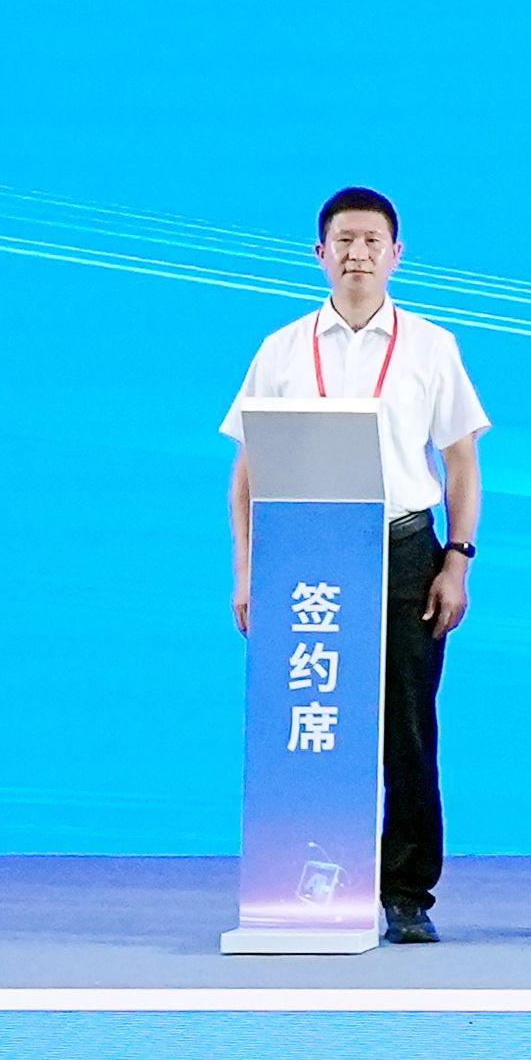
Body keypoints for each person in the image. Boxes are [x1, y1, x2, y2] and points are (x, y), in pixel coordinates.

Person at [220, 185, 488, 945]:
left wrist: (457, 561)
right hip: (304, 556)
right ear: (320, 253)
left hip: (404, 549)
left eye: (372, 241)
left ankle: (406, 891)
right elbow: (246, 474)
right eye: (343, 240)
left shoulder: (431, 346)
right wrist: (246, 571)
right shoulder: (280, 349)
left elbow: (462, 463)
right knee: (308, 720)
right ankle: (303, 876)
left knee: (407, 726)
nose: (357, 254)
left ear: (396, 254)